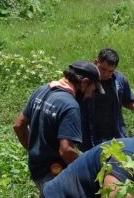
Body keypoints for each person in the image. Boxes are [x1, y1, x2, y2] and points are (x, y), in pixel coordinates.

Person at [14, 61, 102, 189]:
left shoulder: (42, 89)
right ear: (84, 83)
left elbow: (18, 125)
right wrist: (90, 171)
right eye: (92, 90)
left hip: (37, 170)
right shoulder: (70, 105)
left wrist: (33, 151)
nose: (90, 95)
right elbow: (66, 151)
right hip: (55, 176)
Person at [81, 48, 134, 150]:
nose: (106, 74)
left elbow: (127, 102)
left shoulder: (120, 80)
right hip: (90, 136)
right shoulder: (84, 80)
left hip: (116, 135)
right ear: (96, 62)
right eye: (103, 69)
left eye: (110, 71)